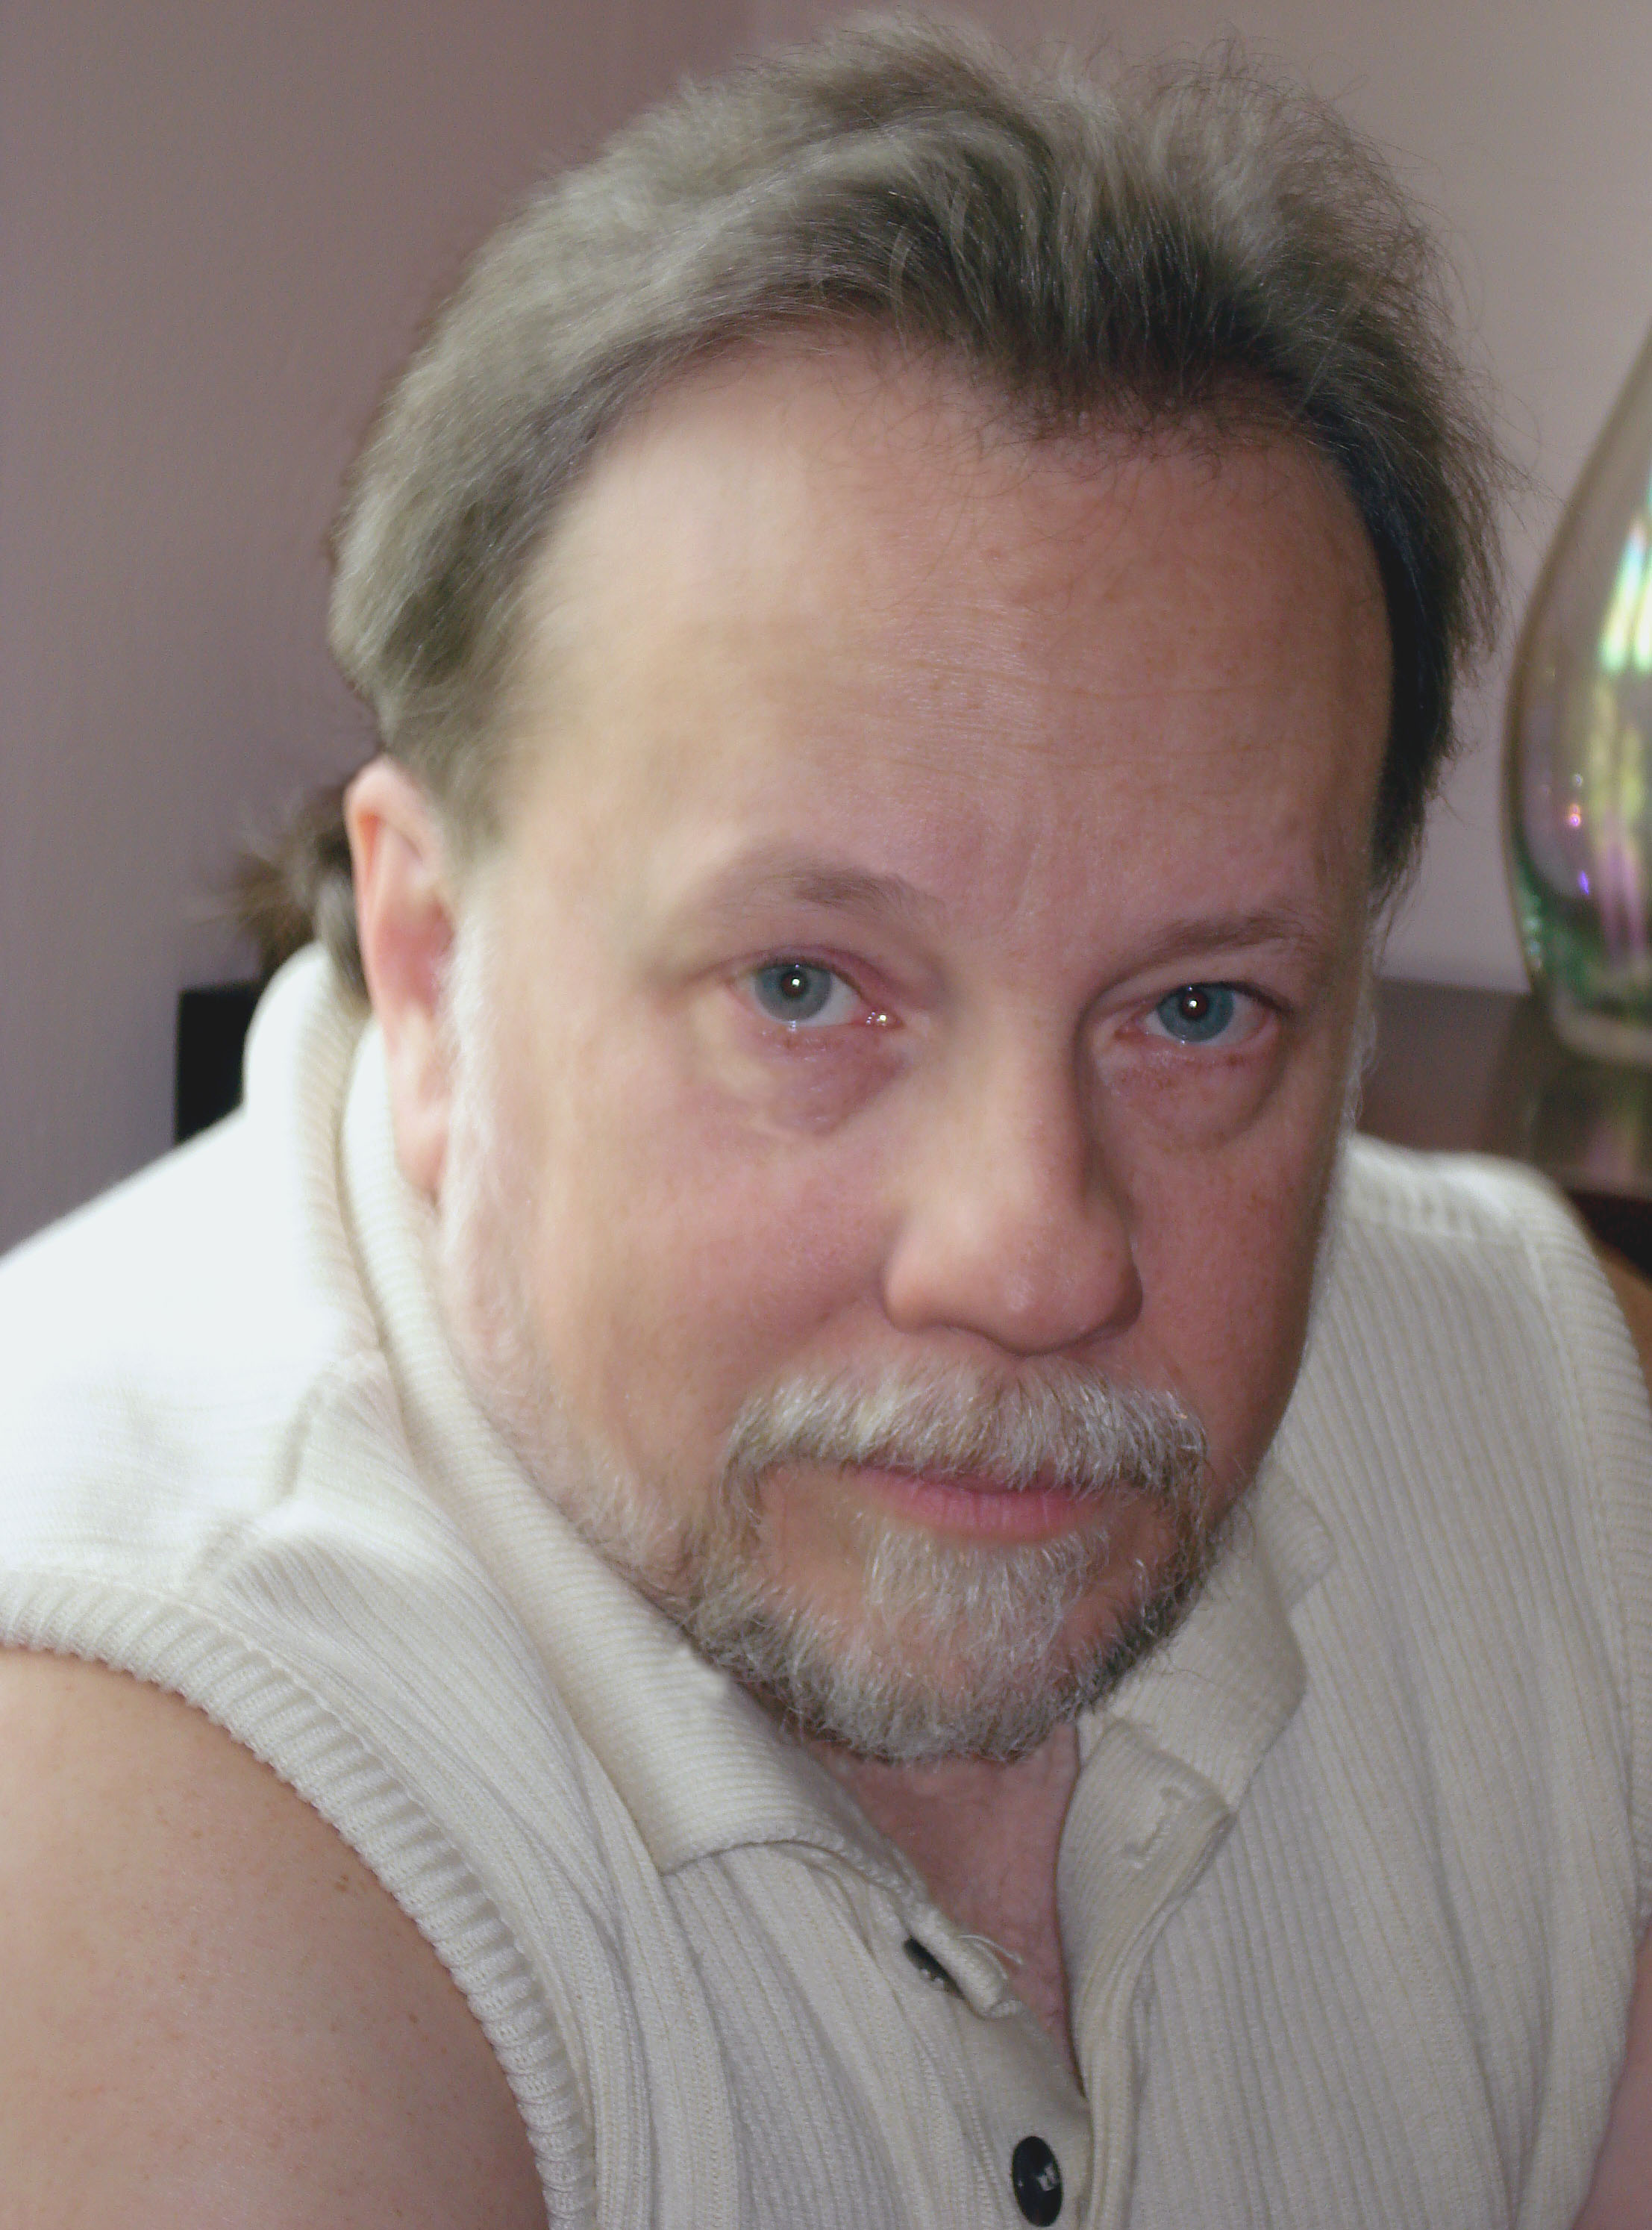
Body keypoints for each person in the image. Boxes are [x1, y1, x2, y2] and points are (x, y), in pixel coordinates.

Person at [1, 16, 1649, 2226]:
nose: (1032, 1255)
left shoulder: (1523, 1413)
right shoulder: (125, 1810)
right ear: (432, 963)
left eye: (1196, 1010)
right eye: (805, 987)